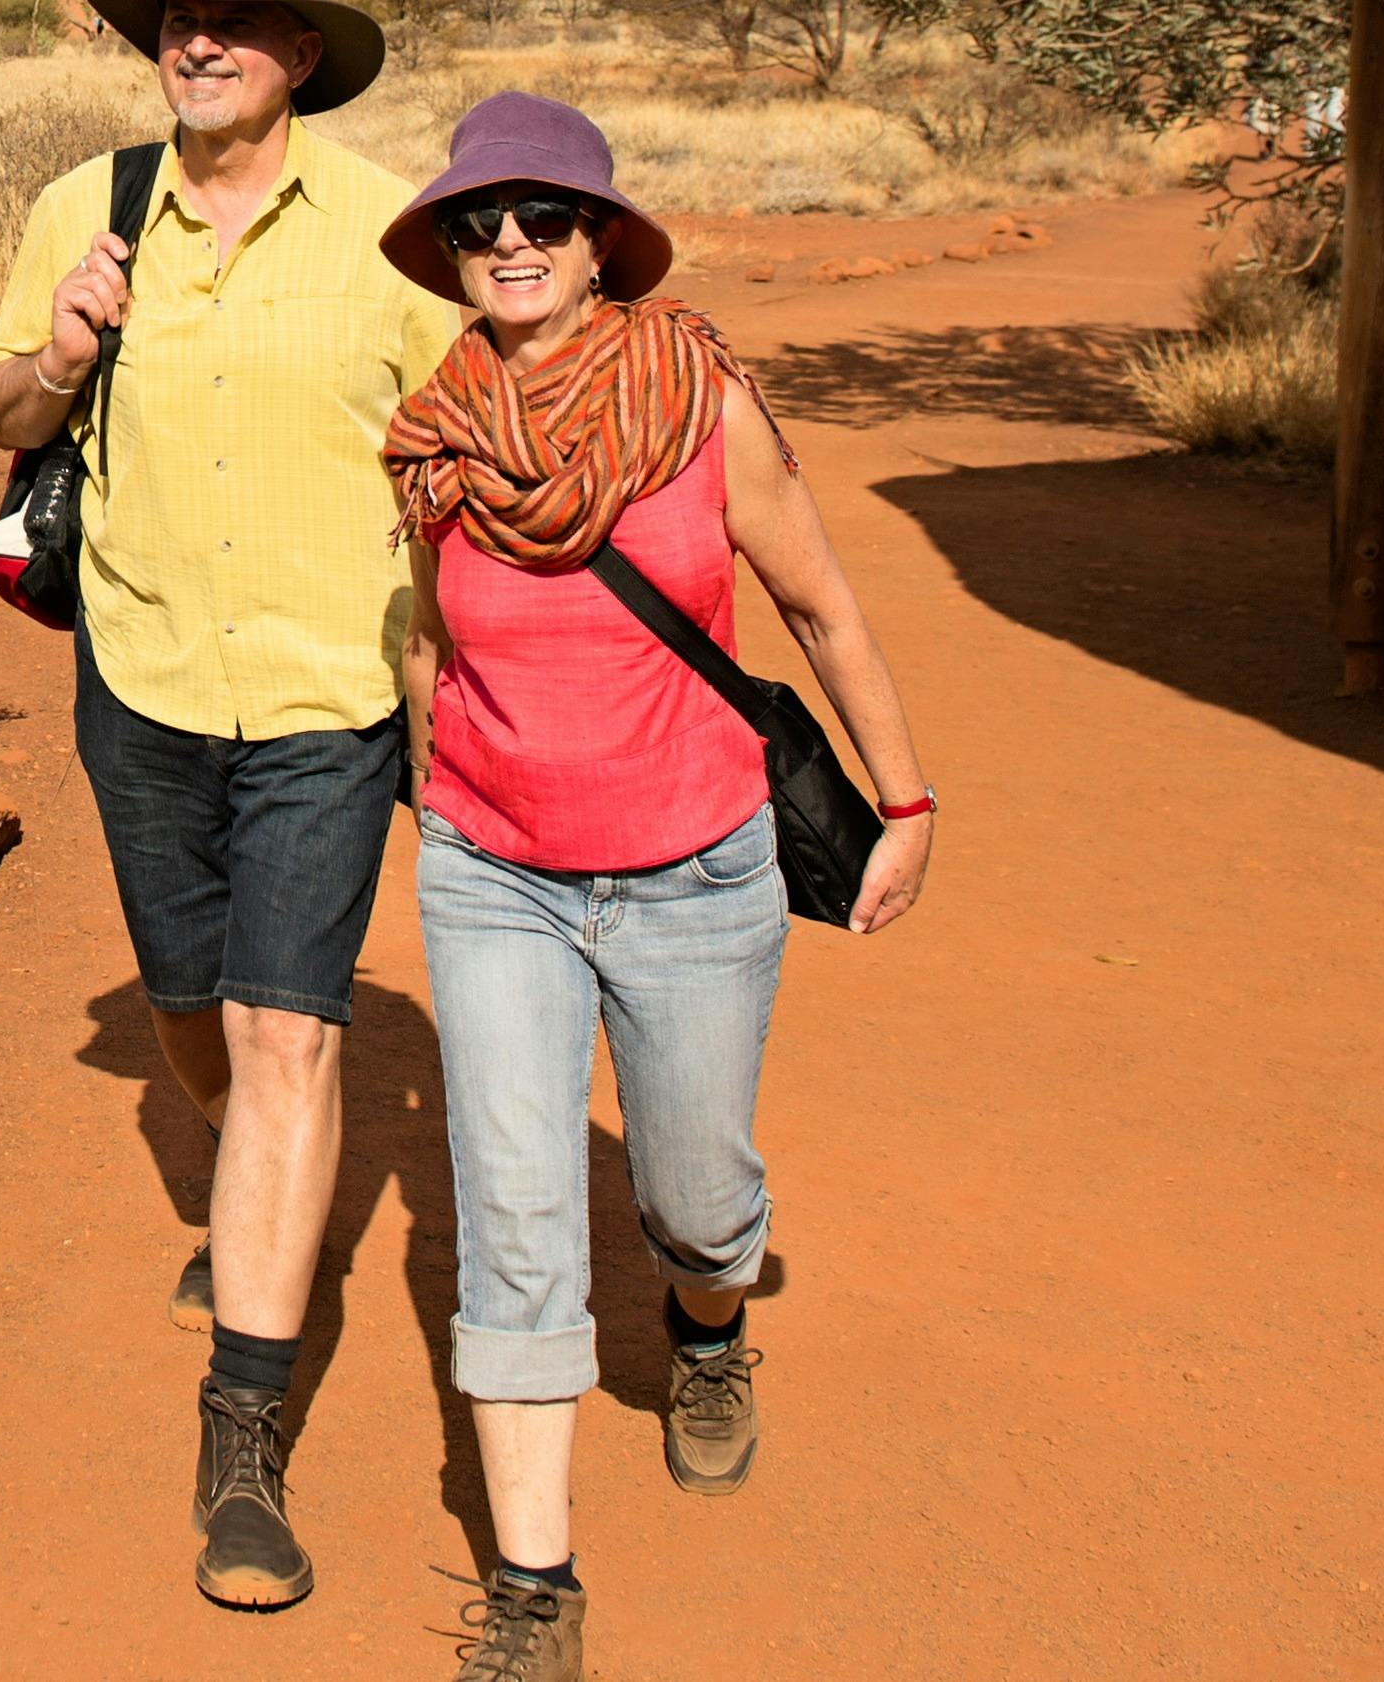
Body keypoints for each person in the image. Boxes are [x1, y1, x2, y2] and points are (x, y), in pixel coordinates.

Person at [374, 92, 936, 1682]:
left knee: (696, 1201)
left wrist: (903, 802)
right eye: (477, 223)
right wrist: (438, 788)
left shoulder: (696, 400)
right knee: (515, 1213)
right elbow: (427, 633)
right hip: (498, 874)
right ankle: (533, 1593)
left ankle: (706, 1326)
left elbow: (818, 607)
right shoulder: (437, 436)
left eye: (541, 216)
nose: (509, 243)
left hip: (695, 867)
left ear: (599, 238)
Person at [0, 0, 459, 1614]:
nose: (195, 42)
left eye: (234, 25)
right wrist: (58, 353)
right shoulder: (82, 208)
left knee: (285, 1034)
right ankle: (257, 1185)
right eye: (174, 19)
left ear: (299, 54)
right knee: (193, 1011)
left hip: (330, 696)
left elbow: (476, 450)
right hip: (146, 679)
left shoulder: (394, 230)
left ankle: (242, 1433)